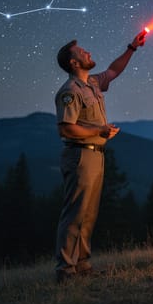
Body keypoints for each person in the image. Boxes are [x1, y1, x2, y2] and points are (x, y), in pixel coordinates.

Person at [53, 31, 146, 283]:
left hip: (95, 155)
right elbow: (66, 128)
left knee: (89, 213)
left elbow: (114, 71)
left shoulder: (92, 83)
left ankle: (82, 264)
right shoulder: (70, 91)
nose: (88, 52)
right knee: (75, 212)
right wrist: (99, 131)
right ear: (74, 63)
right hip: (80, 156)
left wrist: (132, 48)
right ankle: (65, 269)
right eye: (82, 52)